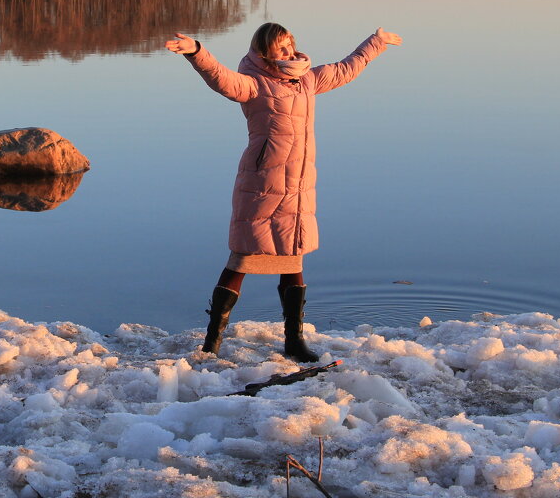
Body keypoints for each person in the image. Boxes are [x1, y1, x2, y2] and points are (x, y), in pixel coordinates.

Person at [165, 23, 401, 360]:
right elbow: (221, 78)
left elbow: (346, 68)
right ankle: (212, 342)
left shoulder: (307, 79)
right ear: (265, 54)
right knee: (243, 258)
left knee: (294, 256)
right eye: (281, 49)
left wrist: (375, 43)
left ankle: (294, 341)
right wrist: (196, 52)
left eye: (290, 46)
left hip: (299, 186)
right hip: (263, 184)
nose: (289, 53)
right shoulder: (255, 84)